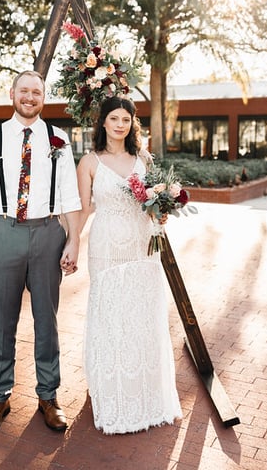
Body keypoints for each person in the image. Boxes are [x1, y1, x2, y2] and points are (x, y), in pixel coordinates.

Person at [0, 70, 81, 436]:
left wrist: (74, 239)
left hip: (49, 233)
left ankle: (48, 397)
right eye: (24, 91)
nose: (30, 97)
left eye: (37, 92)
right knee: (3, 322)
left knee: (46, 322)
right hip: (4, 233)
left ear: (43, 97)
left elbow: (70, 196)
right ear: (12, 93)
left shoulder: (59, 139)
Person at [77, 96, 182, 434]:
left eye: (126, 119)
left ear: (132, 124)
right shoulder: (90, 163)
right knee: (111, 317)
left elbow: (153, 207)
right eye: (114, 119)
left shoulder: (144, 160)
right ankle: (111, 389)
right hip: (106, 247)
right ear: (103, 123)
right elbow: (82, 210)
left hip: (142, 248)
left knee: (141, 317)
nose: (120, 124)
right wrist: (70, 244)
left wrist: (162, 210)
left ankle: (146, 391)